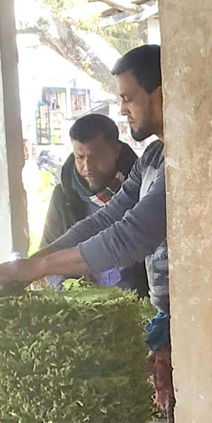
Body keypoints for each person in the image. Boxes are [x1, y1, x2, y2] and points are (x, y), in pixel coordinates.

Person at [0, 44, 172, 409]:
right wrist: (36, 262)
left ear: (161, 95)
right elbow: (108, 216)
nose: (122, 109)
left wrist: (37, 267)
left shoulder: (187, 161)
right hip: (170, 323)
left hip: (200, 326)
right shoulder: (153, 157)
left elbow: (130, 235)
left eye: (128, 98)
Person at [38, 112, 148, 299]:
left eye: (96, 157)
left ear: (115, 151)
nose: (87, 168)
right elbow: (50, 254)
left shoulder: (142, 188)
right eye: (80, 157)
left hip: (140, 305)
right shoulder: (63, 197)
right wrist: (80, 296)